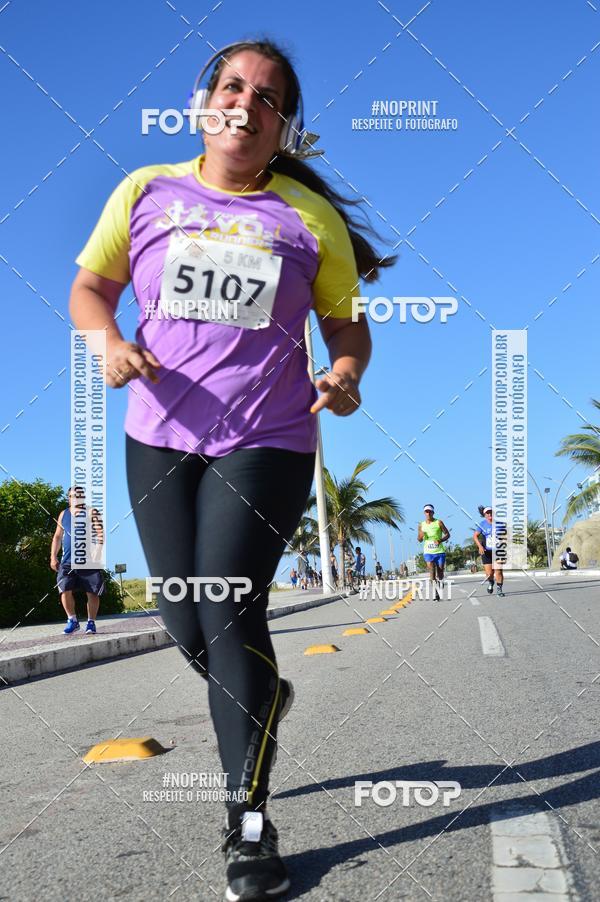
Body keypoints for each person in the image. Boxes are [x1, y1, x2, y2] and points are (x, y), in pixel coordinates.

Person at [68, 38, 393, 901]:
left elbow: (347, 328)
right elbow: (90, 288)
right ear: (202, 100)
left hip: (268, 436)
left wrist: (346, 374)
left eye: (269, 98)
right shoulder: (145, 191)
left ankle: (248, 826)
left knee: (226, 606)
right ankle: (264, 695)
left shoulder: (305, 219)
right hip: (160, 433)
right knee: (187, 622)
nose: (246, 105)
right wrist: (106, 340)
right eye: (233, 87)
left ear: (286, 126)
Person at [50, 487, 105, 634]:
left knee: (92, 592)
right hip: (67, 561)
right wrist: (53, 556)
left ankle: (91, 623)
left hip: (88, 560)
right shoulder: (63, 514)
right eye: (72, 496)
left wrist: (97, 551)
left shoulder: (91, 512)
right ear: (68, 497)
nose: (75, 498)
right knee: (64, 589)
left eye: (78, 495)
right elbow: (57, 536)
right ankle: (72, 620)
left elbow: (100, 533)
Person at [417, 504, 450, 601]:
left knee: (440, 573)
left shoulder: (438, 522)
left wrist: (440, 540)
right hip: (428, 552)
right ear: (424, 513)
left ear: (433, 513)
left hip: (439, 551)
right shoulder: (421, 525)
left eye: (430, 511)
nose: (428, 513)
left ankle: (441, 581)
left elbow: (448, 534)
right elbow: (419, 540)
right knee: (431, 572)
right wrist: (421, 536)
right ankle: (436, 593)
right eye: (426, 511)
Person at [473, 505, 505, 597]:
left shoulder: (500, 524)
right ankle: (491, 582)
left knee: (498, 571)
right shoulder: (482, 524)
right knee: (489, 573)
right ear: (484, 515)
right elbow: (475, 536)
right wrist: (480, 546)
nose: (489, 514)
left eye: (491, 512)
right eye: (487, 513)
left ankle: (499, 589)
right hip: (486, 552)